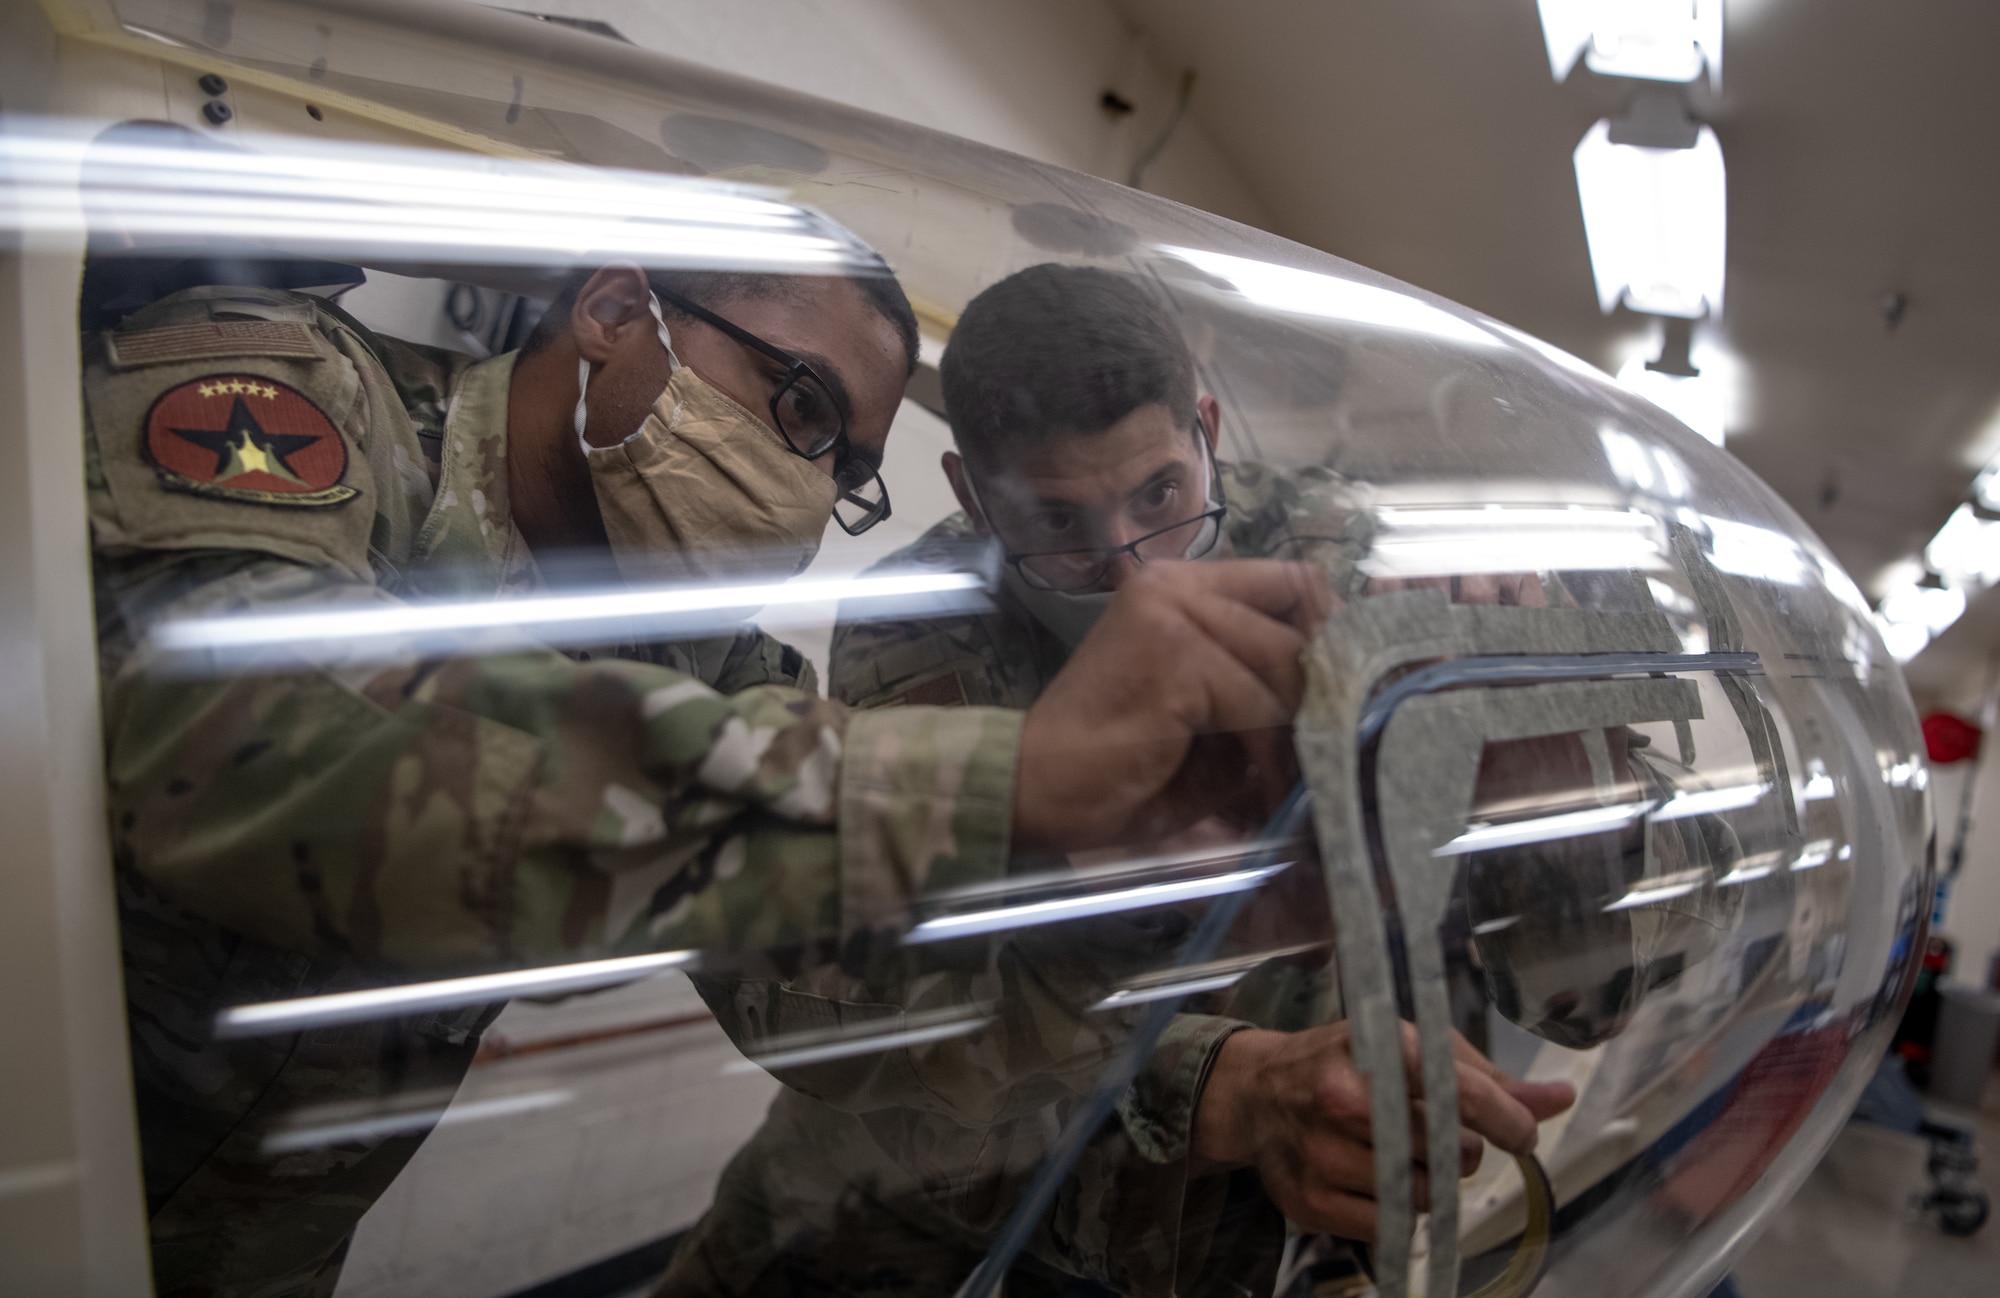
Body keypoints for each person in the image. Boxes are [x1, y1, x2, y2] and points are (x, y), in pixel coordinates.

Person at [88, 248, 1327, 1297]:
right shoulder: (307, 393)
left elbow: (838, 1001)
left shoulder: (703, 659)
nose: (805, 480)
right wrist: (997, 783)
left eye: (842, 466)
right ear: (616, 312)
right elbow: (238, 745)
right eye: (795, 406)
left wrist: (1180, 988)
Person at [659, 264, 1573, 1297]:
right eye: (1055, 522)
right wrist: (1219, 1085)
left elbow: (1593, 984)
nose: (1134, 576)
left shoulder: (1359, 562)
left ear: (1207, 431)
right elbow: (943, 1003)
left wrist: (1545, 738)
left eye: (1158, 494)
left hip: (1255, 1221)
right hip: (915, 1182)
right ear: (971, 494)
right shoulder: (918, 620)